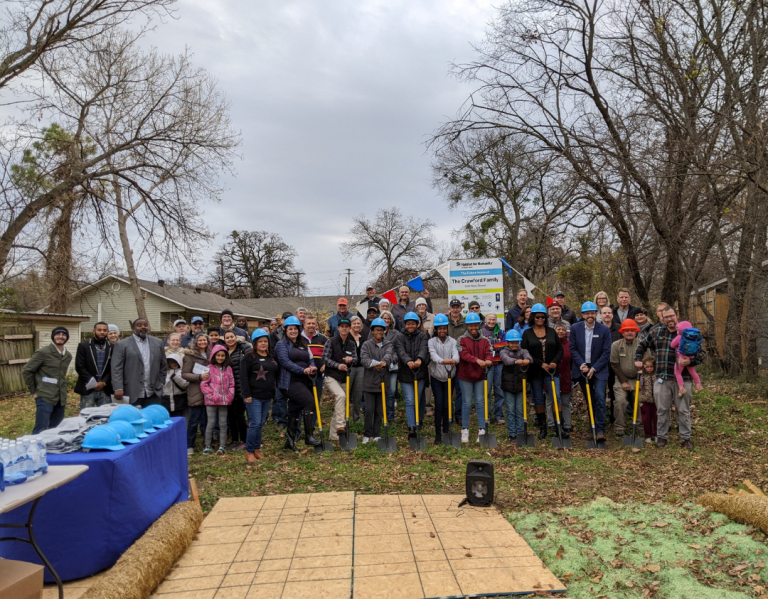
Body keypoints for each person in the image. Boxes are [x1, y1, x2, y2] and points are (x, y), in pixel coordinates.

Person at [635, 305, 703, 450]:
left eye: (671, 316)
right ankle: (662, 437)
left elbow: (702, 354)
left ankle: (686, 438)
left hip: (683, 380)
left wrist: (690, 361)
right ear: (662, 318)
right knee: (662, 410)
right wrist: (637, 358)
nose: (669, 319)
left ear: (677, 315)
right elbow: (642, 345)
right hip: (662, 378)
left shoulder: (689, 333)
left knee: (683, 410)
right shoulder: (657, 332)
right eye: (665, 317)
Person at [275, 316, 321, 451]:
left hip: (303, 381)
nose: (293, 331)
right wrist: (303, 370)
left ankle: (289, 442)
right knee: (309, 401)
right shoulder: (281, 344)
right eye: (290, 329)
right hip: (290, 382)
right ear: (285, 330)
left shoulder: (303, 344)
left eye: (295, 329)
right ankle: (309, 436)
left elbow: (311, 358)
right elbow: (285, 362)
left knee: (294, 410)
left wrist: (312, 367)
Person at [569, 301, 613, 443]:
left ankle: (600, 430)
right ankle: (592, 428)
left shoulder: (603, 330)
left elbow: (606, 352)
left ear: (596, 314)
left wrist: (594, 368)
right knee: (590, 399)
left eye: (592, 313)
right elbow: (573, 348)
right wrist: (582, 364)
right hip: (582, 368)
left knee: (600, 398)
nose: (590, 315)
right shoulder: (575, 328)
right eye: (587, 313)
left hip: (598, 369)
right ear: (582, 315)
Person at [521, 305, 563, 439]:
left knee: (556, 397)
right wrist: (541, 364)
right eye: (537, 317)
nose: (540, 319)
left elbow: (560, 350)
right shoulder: (527, 333)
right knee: (538, 399)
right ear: (533, 317)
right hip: (535, 371)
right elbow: (525, 352)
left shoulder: (551, 331)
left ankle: (558, 427)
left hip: (552, 370)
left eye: (543, 317)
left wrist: (554, 362)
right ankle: (543, 428)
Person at [24, 327, 72, 434]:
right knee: (40, 429)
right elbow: (27, 371)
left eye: (63, 335)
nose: (60, 336)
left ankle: (52, 449)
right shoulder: (43, 352)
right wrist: (34, 391)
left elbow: (61, 376)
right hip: (45, 396)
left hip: (61, 398)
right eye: (58, 334)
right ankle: (34, 449)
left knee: (56, 429)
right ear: (53, 336)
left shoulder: (68, 356)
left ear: (66, 337)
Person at [241, 329, 278, 461]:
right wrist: (247, 394)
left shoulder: (271, 357)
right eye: (260, 341)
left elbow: (273, 377)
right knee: (255, 423)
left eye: (265, 341)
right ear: (255, 343)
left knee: (261, 423)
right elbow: (243, 377)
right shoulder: (248, 358)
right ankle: (249, 451)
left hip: (267, 396)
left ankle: (257, 449)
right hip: (253, 396)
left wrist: (272, 395)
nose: (263, 344)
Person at [112, 318, 166, 408]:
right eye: (139, 325)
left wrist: (161, 383)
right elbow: (116, 368)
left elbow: (163, 365)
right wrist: (118, 387)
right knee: (134, 419)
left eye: (145, 325)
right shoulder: (122, 344)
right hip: (131, 391)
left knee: (153, 419)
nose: (143, 327)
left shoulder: (158, 342)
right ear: (133, 329)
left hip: (153, 392)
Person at [457, 312, 493, 443]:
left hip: (480, 376)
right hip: (465, 376)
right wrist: (477, 360)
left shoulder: (485, 340)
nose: (473, 328)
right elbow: (464, 354)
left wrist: (489, 360)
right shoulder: (461, 339)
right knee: (466, 402)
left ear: (479, 326)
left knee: (480, 402)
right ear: (467, 326)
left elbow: (489, 353)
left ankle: (482, 429)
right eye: (470, 325)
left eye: (475, 325)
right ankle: (465, 429)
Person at [395, 312, 430, 441]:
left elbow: (424, 349)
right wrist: (408, 361)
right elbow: (400, 351)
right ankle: (412, 428)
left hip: (419, 372)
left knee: (418, 398)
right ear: (405, 324)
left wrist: (420, 359)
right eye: (408, 323)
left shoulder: (422, 336)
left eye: (413, 323)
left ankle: (419, 420)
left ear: (417, 324)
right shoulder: (399, 336)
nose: (410, 326)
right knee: (410, 400)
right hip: (405, 372)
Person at [322, 317, 358, 441]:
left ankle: (333, 436)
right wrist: (337, 365)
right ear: (338, 328)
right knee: (341, 396)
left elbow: (356, 358)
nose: (344, 328)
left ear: (349, 328)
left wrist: (351, 360)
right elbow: (325, 358)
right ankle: (341, 426)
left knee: (340, 404)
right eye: (342, 326)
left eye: (346, 326)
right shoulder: (330, 342)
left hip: (344, 377)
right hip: (331, 376)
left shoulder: (352, 343)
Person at [360, 317, 393, 443]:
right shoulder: (366, 344)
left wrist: (384, 362)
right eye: (376, 330)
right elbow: (364, 359)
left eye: (381, 330)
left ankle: (377, 433)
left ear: (384, 331)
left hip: (383, 381)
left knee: (380, 410)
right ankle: (367, 434)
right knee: (369, 409)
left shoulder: (388, 344)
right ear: (372, 331)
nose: (379, 332)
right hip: (369, 382)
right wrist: (375, 364)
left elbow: (389, 355)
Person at [428, 313, 459, 444]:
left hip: (449, 377)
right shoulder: (431, 341)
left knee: (448, 404)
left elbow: (456, 356)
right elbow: (433, 356)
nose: (442, 330)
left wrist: (453, 360)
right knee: (439, 404)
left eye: (444, 328)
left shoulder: (452, 341)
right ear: (435, 329)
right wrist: (443, 361)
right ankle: (438, 435)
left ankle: (447, 432)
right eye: (439, 328)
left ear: (447, 328)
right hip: (436, 377)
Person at [200, 344, 235, 454]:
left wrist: (229, 397)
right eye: (218, 355)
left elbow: (232, 385)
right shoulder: (209, 368)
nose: (220, 358)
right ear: (214, 356)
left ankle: (222, 445)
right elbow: (204, 385)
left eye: (222, 355)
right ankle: (207, 445)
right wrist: (212, 395)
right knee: (210, 423)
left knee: (223, 423)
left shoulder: (228, 369)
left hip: (224, 402)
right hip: (211, 401)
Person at [610, 319, 641, 437]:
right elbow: (614, 364)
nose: (629, 333)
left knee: (639, 400)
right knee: (620, 401)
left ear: (636, 332)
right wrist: (623, 382)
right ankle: (620, 427)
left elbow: (648, 362)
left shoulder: (642, 344)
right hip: (621, 378)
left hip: (638, 378)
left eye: (632, 331)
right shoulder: (616, 345)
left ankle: (640, 426)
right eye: (627, 331)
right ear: (622, 333)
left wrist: (642, 381)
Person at [500, 330, 532, 441]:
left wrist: (527, 360)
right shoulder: (503, 352)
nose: (514, 345)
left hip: (520, 386)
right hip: (508, 386)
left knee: (519, 409)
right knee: (510, 410)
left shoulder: (523, 351)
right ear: (507, 343)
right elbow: (507, 361)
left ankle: (520, 432)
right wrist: (518, 361)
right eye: (512, 342)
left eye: (516, 342)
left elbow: (529, 358)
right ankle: (512, 433)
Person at [182, 334, 211, 455]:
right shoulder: (190, 356)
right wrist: (199, 377)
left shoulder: (211, 353)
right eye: (200, 340)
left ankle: (207, 444)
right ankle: (189, 445)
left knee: (207, 420)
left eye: (204, 340)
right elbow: (185, 374)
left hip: (209, 391)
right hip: (196, 391)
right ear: (196, 342)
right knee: (194, 421)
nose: (202, 342)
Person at [74, 321, 113, 408]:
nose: (102, 332)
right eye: (99, 330)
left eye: (104, 330)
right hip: (88, 388)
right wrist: (93, 382)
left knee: (105, 417)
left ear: (107, 332)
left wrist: (104, 382)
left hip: (105, 389)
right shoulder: (84, 346)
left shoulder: (112, 347)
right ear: (94, 331)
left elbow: (113, 368)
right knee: (86, 417)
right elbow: (79, 366)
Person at [223, 330, 250, 451]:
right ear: (224, 340)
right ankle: (234, 440)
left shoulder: (242, 349)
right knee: (231, 416)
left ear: (236, 337)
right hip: (228, 389)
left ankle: (243, 440)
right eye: (227, 337)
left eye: (231, 337)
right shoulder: (223, 352)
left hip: (240, 387)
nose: (230, 339)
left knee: (239, 415)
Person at [480, 313, 505, 425]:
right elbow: (482, 348)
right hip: (487, 365)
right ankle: (487, 415)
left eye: (493, 319)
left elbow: (504, 346)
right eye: (489, 319)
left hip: (499, 363)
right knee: (487, 391)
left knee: (499, 390)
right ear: (486, 320)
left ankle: (499, 415)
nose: (491, 321)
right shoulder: (481, 332)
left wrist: (492, 347)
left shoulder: (501, 332)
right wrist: (494, 347)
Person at [670, 320, 704, 396]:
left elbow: (672, 345)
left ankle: (681, 388)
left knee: (677, 373)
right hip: (690, 357)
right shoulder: (694, 338)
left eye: (678, 330)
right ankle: (698, 386)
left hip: (681, 358)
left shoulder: (679, 337)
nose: (677, 332)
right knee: (693, 372)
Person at [551, 322, 573, 434]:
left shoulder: (569, 344)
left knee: (565, 401)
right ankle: (552, 423)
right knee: (551, 401)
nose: (560, 331)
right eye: (558, 329)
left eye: (563, 330)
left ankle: (567, 424)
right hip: (551, 375)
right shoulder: (550, 343)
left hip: (565, 375)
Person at [600, 306, 621, 423]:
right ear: (600, 315)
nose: (607, 315)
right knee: (601, 392)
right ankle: (601, 417)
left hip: (616, 366)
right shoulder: (597, 328)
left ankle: (614, 416)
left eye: (609, 313)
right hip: (601, 366)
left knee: (614, 392)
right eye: (604, 313)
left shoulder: (619, 328)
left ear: (612, 315)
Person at [380, 310, 401, 421]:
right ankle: (380, 415)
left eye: (388, 318)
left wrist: (393, 359)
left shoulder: (396, 333)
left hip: (392, 367)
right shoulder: (374, 331)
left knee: (391, 392)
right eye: (384, 318)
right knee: (380, 391)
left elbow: (399, 350)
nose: (386, 320)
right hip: (379, 367)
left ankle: (390, 416)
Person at [349, 315, 367, 424]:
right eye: (354, 323)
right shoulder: (347, 337)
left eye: (358, 323)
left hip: (361, 368)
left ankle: (356, 418)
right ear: (350, 325)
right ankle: (343, 418)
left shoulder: (363, 338)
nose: (356, 325)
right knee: (346, 393)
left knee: (358, 394)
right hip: (349, 368)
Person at [162, 354, 189, 418]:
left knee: (179, 418)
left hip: (179, 399)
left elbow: (185, 385)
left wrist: (175, 377)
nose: (173, 364)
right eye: (171, 362)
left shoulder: (182, 372)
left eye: (175, 362)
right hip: (167, 400)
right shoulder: (164, 373)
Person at [638, 357, 658, 443]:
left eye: (651, 367)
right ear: (644, 367)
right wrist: (640, 401)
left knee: (656, 418)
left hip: (656, 400)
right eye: (647, 367)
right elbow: (639, 388)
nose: (649, 368)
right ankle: (648, 435)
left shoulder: (656, 375)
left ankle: (657, 434)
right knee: (646, 419)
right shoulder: (641, 376)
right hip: (645, 400)